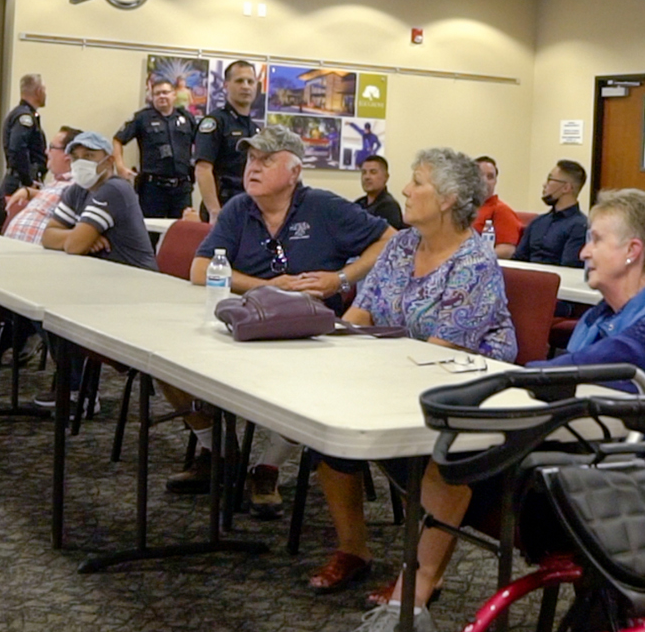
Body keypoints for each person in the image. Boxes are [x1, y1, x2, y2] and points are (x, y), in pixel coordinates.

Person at [308, 188, 645, 632]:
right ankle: (407, 616)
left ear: (633, 250)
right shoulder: (601, 315)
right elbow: (561, 390)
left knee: (449, 459)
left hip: (632, 493)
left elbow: (576, 376)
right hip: (577, 468)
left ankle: (405, 621)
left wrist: (511, 378)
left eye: (595, 239)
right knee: (438, 457)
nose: (582, 250)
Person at [308, 149, 517, 599]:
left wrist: (368, 371)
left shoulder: (474, 263)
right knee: (328, 433)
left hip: (462, 393)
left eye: (417, 182)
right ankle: (354, 550)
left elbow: (442, 352)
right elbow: (362, 310)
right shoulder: (403, 245)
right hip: (394, 371)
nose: (405, 189)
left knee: (428, 457)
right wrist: (333, 349)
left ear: (449, 199)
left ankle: (425, 575)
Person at [167, 125, 395, 515]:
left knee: (307, 389)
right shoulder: (240, 208)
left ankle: (267, 466)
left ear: (293, 172)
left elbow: (391, 238)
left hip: (310, 337)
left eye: (266, 160)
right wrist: (267, 287)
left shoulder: (325, 207)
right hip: (246, 327)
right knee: (164, 364)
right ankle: (218, 450)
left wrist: (341, 278)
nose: (252, 168)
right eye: (251, 159)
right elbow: (200, 269)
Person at [42, 132, 157, 271]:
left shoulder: (114, 189)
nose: (80, 163)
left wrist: (77, 239)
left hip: (136, 278)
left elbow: (74, 246)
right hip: (101, 273)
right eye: (75, 158)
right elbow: (47, 236)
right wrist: (81, 237)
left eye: (88, 156)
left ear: (109, 161)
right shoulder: (77, 190)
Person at [113, 77, 198, 218]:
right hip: (152, 189)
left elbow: (201, 143)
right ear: (152, 97)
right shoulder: (142, 118)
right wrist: (120, 167)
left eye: (165, 92)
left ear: (174, 95)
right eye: (157, 93)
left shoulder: (187, 118)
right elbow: (118, 139)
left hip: (181, 188)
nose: (162, 96)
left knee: (181, 232)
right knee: (150, 233)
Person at [194, 59, 260, 220]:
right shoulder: (215, 122)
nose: (245, 86)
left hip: (250, 206)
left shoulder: (255, 128)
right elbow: (203, 169)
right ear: (226, 85)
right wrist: (215, 212)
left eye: (250, 81)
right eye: (239, 81)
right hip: (223, 206)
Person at [3, 126, 81, 244]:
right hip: (12, 247)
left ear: (68, 154)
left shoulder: (78, 187)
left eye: (51, 147)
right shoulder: (56, 184)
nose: (46, 152)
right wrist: (28, 191)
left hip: (36, 254)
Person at [512, 159, 588, 268]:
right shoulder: (537, 222)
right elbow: (518, 260)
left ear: (566, 188)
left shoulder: (580, 226)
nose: (544, 185)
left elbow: (569, 269)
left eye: (550, 179)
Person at [1, 73, 48, 195]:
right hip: (20, 184)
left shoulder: (22, 114)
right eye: (44, 90)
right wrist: (28, 181)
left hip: (20, 181)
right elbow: (18, 148)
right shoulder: (24, 117)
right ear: (38, 91)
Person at [471, 155, 521, 259]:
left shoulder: (501, 210)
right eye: (480, 176)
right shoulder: (460, 207)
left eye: (490, 177)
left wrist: (473, 258)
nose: (485, 181)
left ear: (495, 181)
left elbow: (507, 250)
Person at [353, 153, 405, 230]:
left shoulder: (389, 207)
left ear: (386, 177)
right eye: (364, 172)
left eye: (373, 172)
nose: (367, 177)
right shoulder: (359, 203)